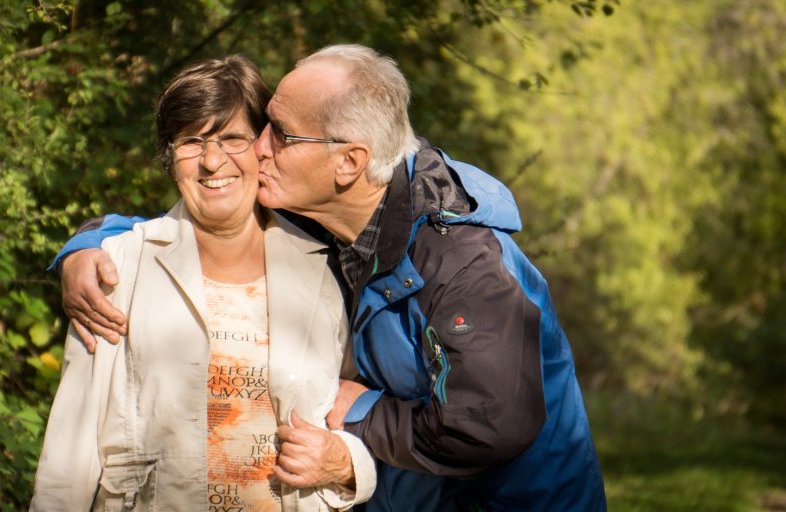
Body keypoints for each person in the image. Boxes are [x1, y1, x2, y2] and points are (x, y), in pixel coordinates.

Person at [55, 45, 607, 511]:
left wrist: (362, 414)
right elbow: (199, 217)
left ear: (349, 162)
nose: (259, 147)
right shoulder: (328, 211)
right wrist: (88, 243)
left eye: (282, 134)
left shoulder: (461, 262)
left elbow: (488, 424)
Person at [30, 55, 376, 511]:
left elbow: (362, 410)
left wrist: (349, 463)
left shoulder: (328, 268)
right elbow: (68, 457)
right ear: (170, 156)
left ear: (264, 146)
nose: (212, 161)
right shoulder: (118, 267)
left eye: (233, 138)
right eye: (191, 142)